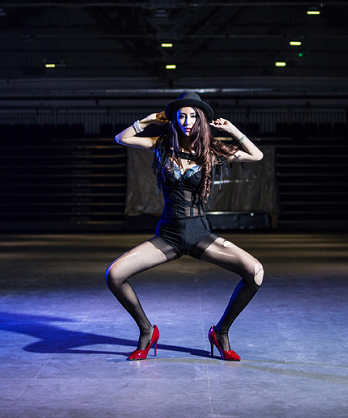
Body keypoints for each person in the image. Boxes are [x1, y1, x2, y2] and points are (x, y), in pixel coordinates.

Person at [106, 91, 265, 361]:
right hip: (168, 235)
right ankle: (147, 331)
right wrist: (146, 121)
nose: (187, 120)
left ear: (201, 120)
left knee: (256, 272)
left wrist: (232, 129)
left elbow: (257, 155)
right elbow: (121, 138)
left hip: (201, 234)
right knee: (114, 275)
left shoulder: (212, 151)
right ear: (175, 119)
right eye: (182, 115)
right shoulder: (162, 144)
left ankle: (221, 332)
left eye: (193, 116)